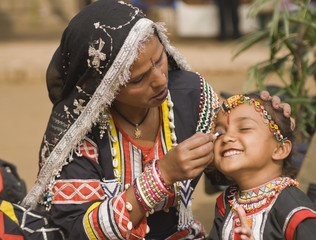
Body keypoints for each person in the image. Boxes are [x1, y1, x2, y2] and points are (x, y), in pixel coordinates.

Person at [15, 1, 292, 239]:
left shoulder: (190, 96)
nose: (160, 80)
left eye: (159, 60)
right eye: (137, 79)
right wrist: (163, 175)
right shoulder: (80, 135)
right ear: (105, 87)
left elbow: (226, 161)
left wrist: (268, 125)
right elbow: (80, 231)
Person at [207, 93, 316, 239]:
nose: (227, 138)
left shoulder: (294, 210)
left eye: (244, 128)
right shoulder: (227, 202)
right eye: (219, 133)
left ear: (280, 149)